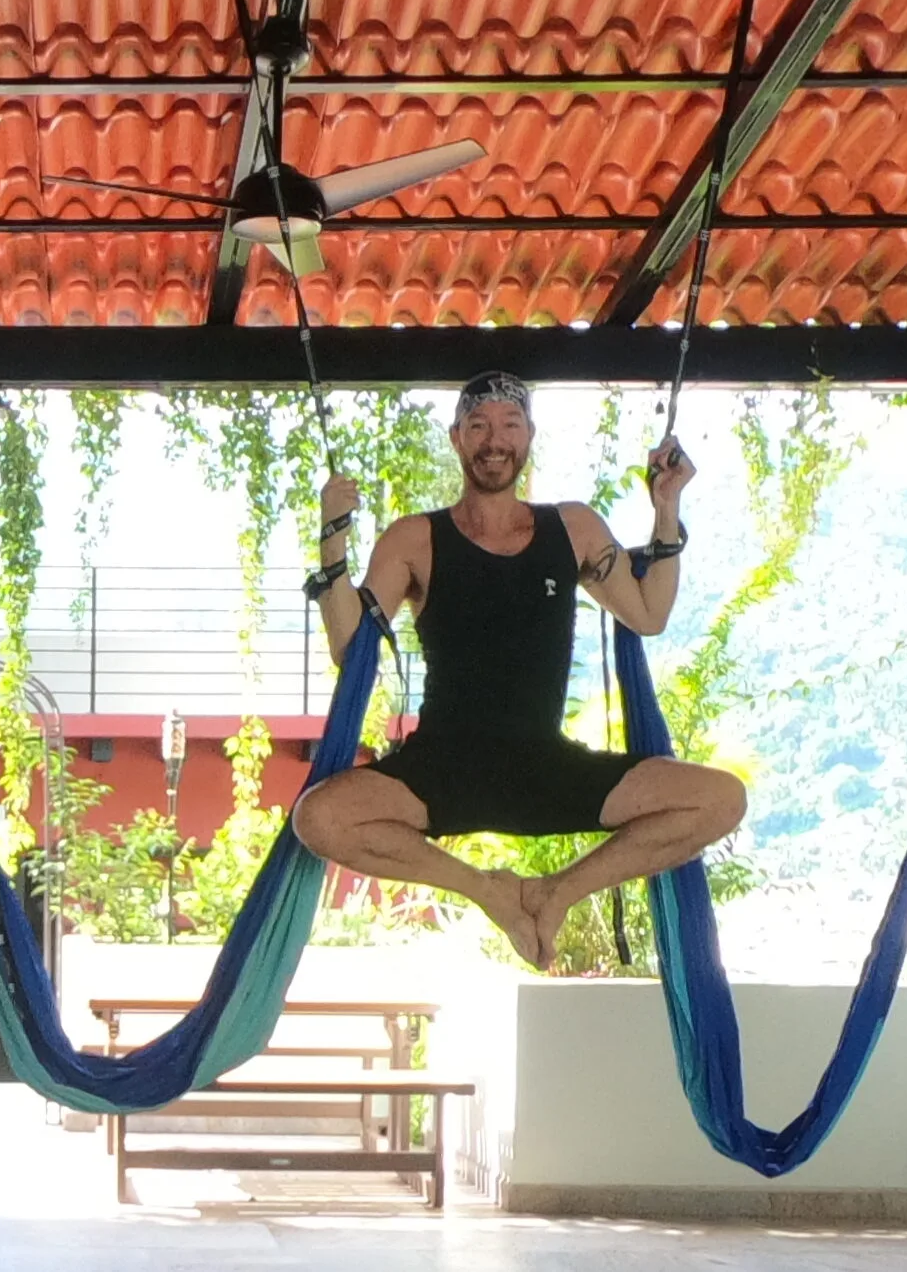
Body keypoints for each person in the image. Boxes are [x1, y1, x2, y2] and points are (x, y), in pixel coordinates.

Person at [292, 371, 746, 970]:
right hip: (441, 770)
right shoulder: (415, 539)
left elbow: (648, 614)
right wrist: (332, 541)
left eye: (509, 424)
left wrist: (667, 507)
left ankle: (557, 892)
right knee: (317, 818)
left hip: (547, 768)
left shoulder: (574, 528)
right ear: (456, 438)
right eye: (478, 426)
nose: (494, 440)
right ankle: (490, 892)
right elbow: (352, 653)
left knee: (721, 800)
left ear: (529, 435)